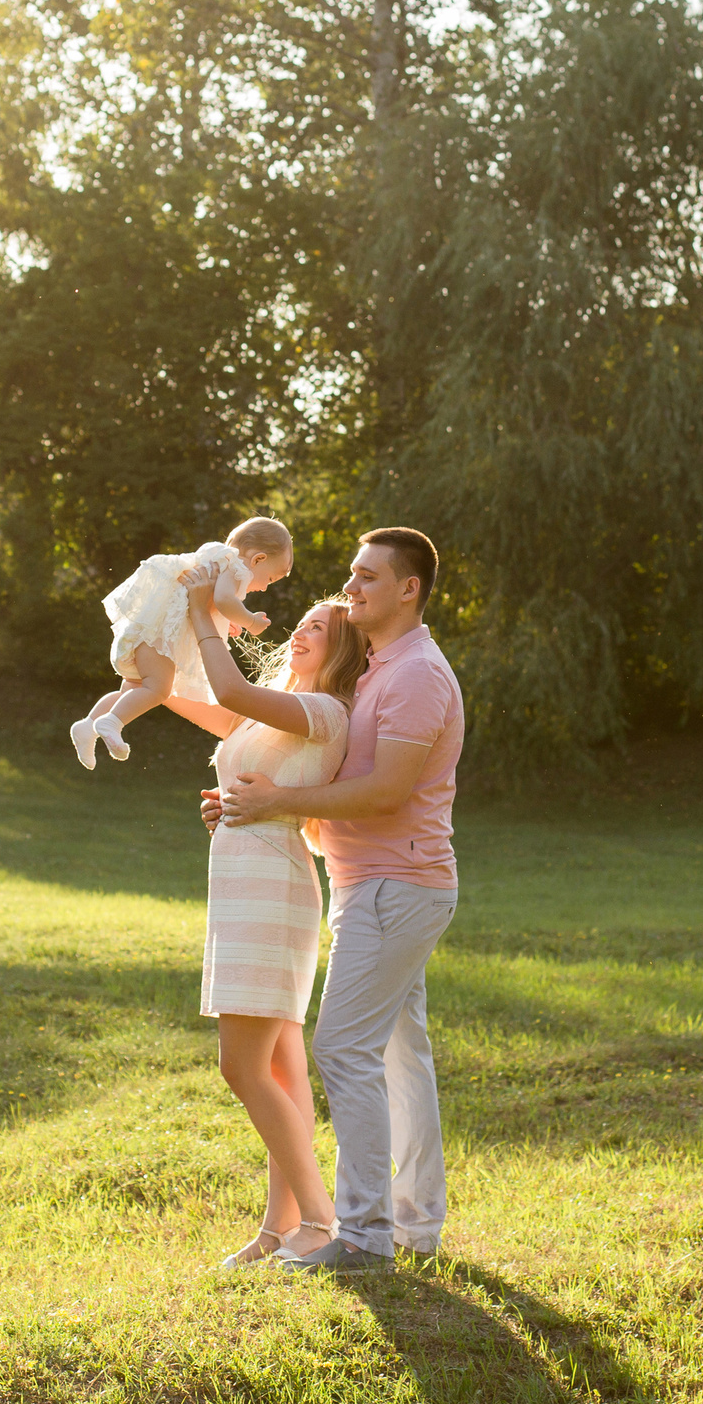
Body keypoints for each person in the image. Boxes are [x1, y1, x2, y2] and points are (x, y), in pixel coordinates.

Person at [207, 527, 463, 1272]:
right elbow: (335, 783)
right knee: (400, 1055)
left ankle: (361, 1235)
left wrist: (279, 799)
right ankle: (416, 1225)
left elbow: (385, 792)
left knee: (342, 1046)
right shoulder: (385, 667)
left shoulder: (417, 674)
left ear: (408, 588)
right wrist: (258, 804)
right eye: (351, 576)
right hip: (375, 882)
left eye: (366, 577)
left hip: (396, 885)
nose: (350, 588)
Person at [161, 589, 371, 1266]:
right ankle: (280, 1226)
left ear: (343, 649)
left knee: (242, 1064)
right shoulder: (272, 714)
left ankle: (320, 1215)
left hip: (272, 895)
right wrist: (225, 809)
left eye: (321, 628)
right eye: (304, 622)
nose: (305, 632)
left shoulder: (323, 710)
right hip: (246, 889)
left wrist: (201, 610)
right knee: (279, 1064)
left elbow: (224, 683)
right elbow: (188, 697)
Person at [70, 516, 293, 768]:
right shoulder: (236, 567)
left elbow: (204, 603)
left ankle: (87, 726)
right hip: (161, 637)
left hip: (151, 630)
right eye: (271, 579)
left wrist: (224, 621)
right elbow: (223, 600)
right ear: (258, 559)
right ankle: (111, 723)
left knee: (133, 688)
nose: (264, 588)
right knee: (158, 690)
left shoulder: (218, 559)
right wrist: (250, 621)